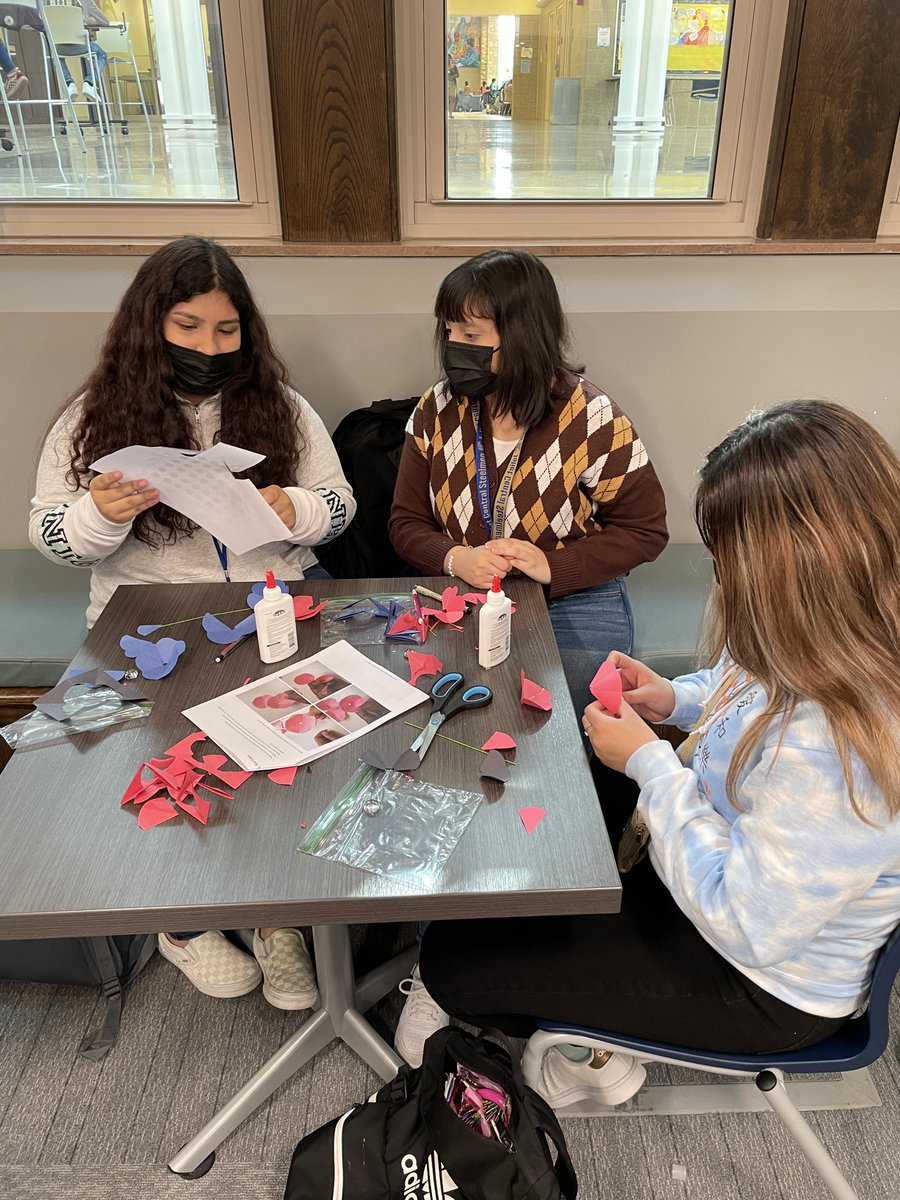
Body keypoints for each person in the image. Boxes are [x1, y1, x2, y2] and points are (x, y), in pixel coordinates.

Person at [416, 400, 900, 1110]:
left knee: (452, 967)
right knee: (557, 790)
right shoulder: (822, 627)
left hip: (761, 981)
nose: (720, 580)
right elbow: (743, 689)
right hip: (720, 861)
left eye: (727, 562)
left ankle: (591, 1047)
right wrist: (674, 700)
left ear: (789, 568)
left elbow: (746, 923)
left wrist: (651, 763)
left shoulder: (840, 744)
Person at [30, 236, 357, 1008]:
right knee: (166, 778)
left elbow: (340, 510)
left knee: (283, 775)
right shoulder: (90, 416)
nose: (209, 347)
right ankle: (183, 925)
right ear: (151, 325)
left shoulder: (282, 406)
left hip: (268, 608)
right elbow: (52, 537)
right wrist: (99, 515)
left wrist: (298, 509)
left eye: (225, 329)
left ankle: (277, 922)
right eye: (188, 326)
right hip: (142, 621)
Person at [388, 248, 668, 1064]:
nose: (456, 347)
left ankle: (571, 944)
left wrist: (555, 564)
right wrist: (452, 558)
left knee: (576, 766)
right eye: (450, 330)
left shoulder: (594, 420)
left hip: (574, 601)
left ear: (526, 333)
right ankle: (445, 959)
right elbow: (404, 522)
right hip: (468, 600)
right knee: (456, 756)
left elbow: (644, 532)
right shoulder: (436, 413)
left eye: (475, 332)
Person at [59, 0, 109, 104]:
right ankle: (90, 83)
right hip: (81, 46)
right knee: (102, 54)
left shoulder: (48, 3)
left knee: (53, 53)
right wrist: (90, 20)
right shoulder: (86, 2)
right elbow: (105, 22)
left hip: (58, 48)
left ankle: (69, 83)